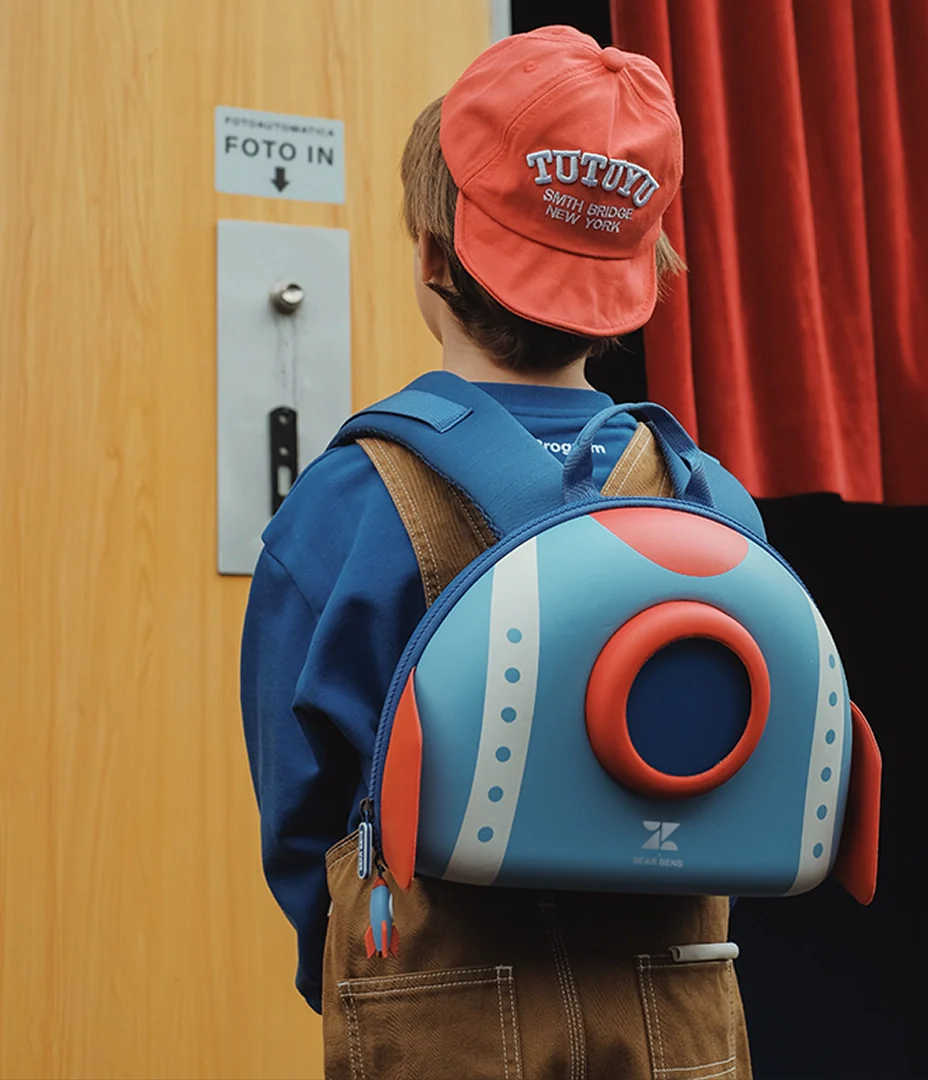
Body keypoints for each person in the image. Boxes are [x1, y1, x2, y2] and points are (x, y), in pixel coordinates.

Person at [242, 25, 762, 1079]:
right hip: (681, 1005)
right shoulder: (716, 506)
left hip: (440, 1012)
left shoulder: (345, 507)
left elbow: (303, 820)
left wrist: (362, 968)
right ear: (638, 278)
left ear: (434, 257)